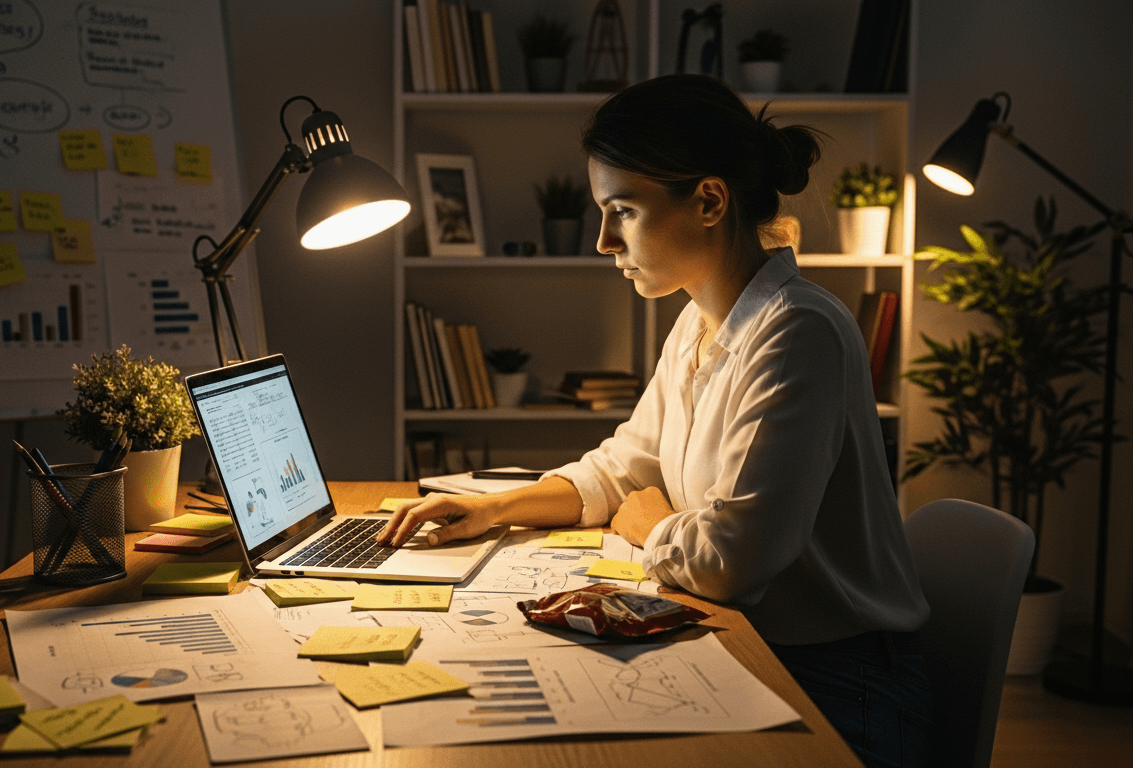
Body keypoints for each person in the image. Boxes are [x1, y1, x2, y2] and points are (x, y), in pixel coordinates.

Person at [377, 74, 932, 768]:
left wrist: (647, 524)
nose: (605, 239)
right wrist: (494, 509)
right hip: (752, 644)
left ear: (708, 200)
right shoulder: (698, 322)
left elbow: (731, 562)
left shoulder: (798, 333)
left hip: (843, 685)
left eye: (623, 211)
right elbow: (622, 470)